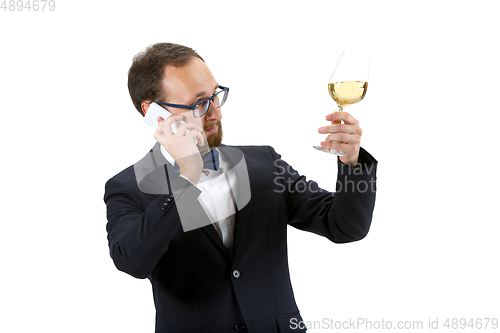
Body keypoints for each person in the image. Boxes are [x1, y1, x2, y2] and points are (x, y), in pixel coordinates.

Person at [104, 42, 377, 333]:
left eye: (215, 96)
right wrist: (186, 177)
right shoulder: (129, 186)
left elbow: (345, 226)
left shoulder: (263, 163)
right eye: (199, 103)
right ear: (154, 112)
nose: (216, 114)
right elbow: (132, 261)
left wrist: (352, 163)